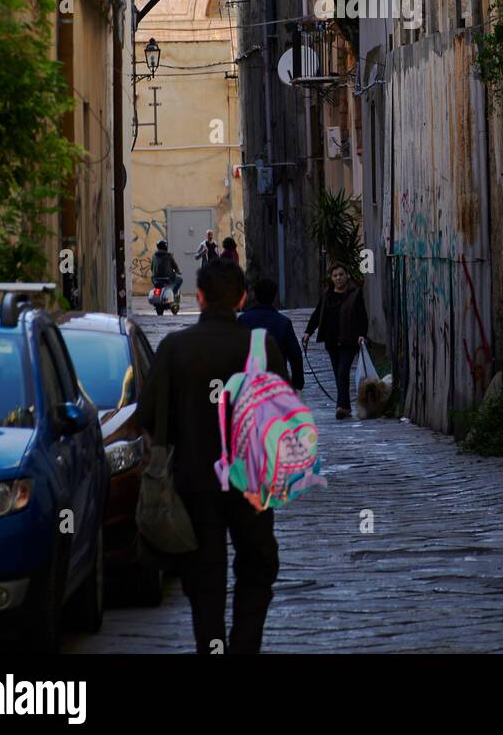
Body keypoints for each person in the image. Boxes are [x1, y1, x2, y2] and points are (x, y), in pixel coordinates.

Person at [137, 258, 288, 655]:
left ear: (199, 297)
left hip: (194, 483)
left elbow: (149, 418)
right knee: (257, 566)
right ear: (242, 298)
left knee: (204, 575)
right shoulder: (262, 347)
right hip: (250, 483)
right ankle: (244, 645)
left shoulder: (175, 348)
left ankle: (213, 646)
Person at [302, 264, 368, 419]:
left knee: (343, 372)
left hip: (349, 340)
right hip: (331, 341)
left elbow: (362, 316)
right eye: (335, 276)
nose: (338, 278)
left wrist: (362, 334)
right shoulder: (327, 295)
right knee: (338, 374)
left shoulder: (355, 294)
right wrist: (308, 332)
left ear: (347, 276)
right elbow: (317, 314)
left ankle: (342, 407)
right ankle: (345, 406)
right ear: (331, 278)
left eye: (341, 274)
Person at [238, 277, 304, 390]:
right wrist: (297, 383)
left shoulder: (243, 320)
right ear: (274, 296)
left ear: (255, 295)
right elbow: (295, 355)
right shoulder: (283, 322)